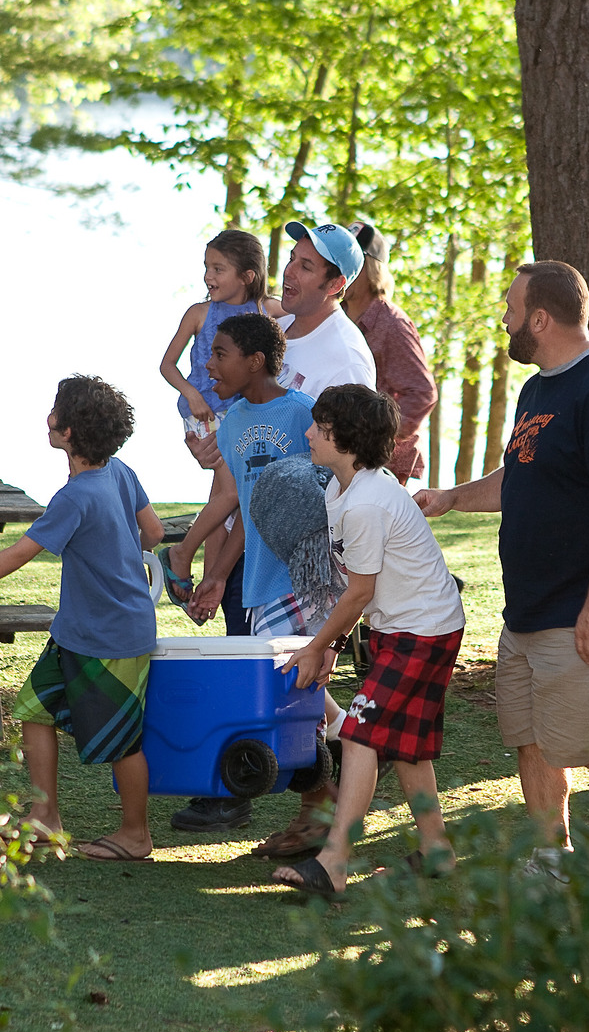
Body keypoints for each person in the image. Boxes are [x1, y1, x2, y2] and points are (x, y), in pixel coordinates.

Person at [416, 260, 589, 881]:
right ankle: (553, 855)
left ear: (540, 317)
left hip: (584, 604)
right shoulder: (537, 388)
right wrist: (452, 497)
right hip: (530, 602)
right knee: (529, 735)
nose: (505, 319)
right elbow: (518, 477)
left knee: (578, 738)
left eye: (512, 308)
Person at [0, 377, 164, 861]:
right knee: (34, 709)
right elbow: (152, 532)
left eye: (55, 411)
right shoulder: (120, 472)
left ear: (68, 432)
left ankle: (136, 835)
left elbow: (18, 555)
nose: (48, 417)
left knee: (123, 741)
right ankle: (45, 817)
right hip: (81, 632)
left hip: (107, 640)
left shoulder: (74, 498)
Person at [273, 385, 466, 900]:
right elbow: (362, 586)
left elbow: (360, 591)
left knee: (360, 733)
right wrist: (331, 644)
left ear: (343, 436)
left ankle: (334, 861)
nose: (309, 433)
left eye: (318, 426)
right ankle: (437, 853)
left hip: (420, 630)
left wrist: (318, 647)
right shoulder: (344, 492)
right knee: (407, 748)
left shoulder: (366, 503)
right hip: (408, 626)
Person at [176, 310, 347, 848]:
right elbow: (241, 507)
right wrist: (216, 574)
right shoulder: (230, 423)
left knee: (294, 696)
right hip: (258, 583)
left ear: (255, 360)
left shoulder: (303, 415)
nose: (209, 362)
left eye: (220, 352)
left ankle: (318, 816)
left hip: (304, 579)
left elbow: (326, 494)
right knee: (294, 696)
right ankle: (333, 793)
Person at [157, 230, 277, 624]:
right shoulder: (199, 312)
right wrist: (192, 394)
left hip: (242, 415)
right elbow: (167, 364)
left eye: (218, 269)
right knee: (230, 494)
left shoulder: (264, 310)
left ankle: (208, 584)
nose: (209, 276)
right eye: (207, 267)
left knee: (225, 498)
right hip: (206, 413)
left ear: (246, 275)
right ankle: (182, 555)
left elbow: (301, 319)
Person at [341, 221, 436, 480]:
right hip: (343, 462)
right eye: (339, 261)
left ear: (371, 267)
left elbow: (422, 393)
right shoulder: (337, 319)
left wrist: (373, 438)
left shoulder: (393, 324)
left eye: (353, 263)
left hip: (382, 468)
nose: (342, 270)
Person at [277, 218, 377, 399]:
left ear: (335, 284)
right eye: (291, 259)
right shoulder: (275, 327)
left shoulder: (349, 362)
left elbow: (356, 427)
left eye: (306, 267)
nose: (288, 271)